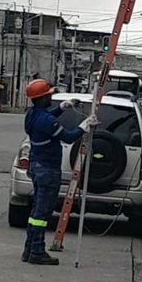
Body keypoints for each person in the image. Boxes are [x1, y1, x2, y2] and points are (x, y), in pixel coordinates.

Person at [21, 78, 97, 267]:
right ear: (42, 98)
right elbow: (69, 137)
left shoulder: (32, 114)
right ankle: (37, 251)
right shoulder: (45, 120)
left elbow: (47, 117)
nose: (51, 97)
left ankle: (30, 248)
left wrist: (63, 107)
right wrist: (84, 126)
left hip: (37, 166)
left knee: (36, 211)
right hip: (47, 169)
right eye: (49, 95)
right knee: (43, 212)